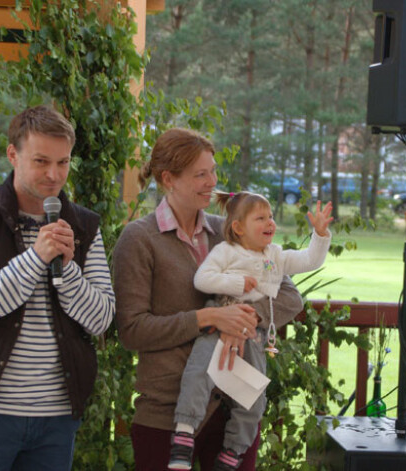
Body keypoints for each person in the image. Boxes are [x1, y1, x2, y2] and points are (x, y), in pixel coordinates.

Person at [113, 128, 304, 471]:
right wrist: (211, 319)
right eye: (200, 174)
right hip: (166, 415)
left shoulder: (231, 230)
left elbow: (289, 296)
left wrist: (241, 319)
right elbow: (132, 330)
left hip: (234, 412)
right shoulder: (139, 239)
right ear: (168, 179)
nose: (212, 181)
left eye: (213, 171)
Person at [0, 105, 115, 470]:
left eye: (63, 163)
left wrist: (67, 269)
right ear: (12, 155)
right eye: (41, 161)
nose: (54, 175)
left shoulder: (83, 226)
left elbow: (101, 319)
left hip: (56, 416)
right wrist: (36, 258)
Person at [168, 191, 333, 470]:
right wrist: (236, 283)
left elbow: (309, 261)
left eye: (270, 217)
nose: (270, 222)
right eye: (260, 218)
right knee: (199, 372)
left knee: (254, 398)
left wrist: (320, 235)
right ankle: (184, 435)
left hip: (253, 336)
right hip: (218, 324)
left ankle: (233, 452)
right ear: (238, 227)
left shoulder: (276, 256)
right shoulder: (227, 251)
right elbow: (202, 279)